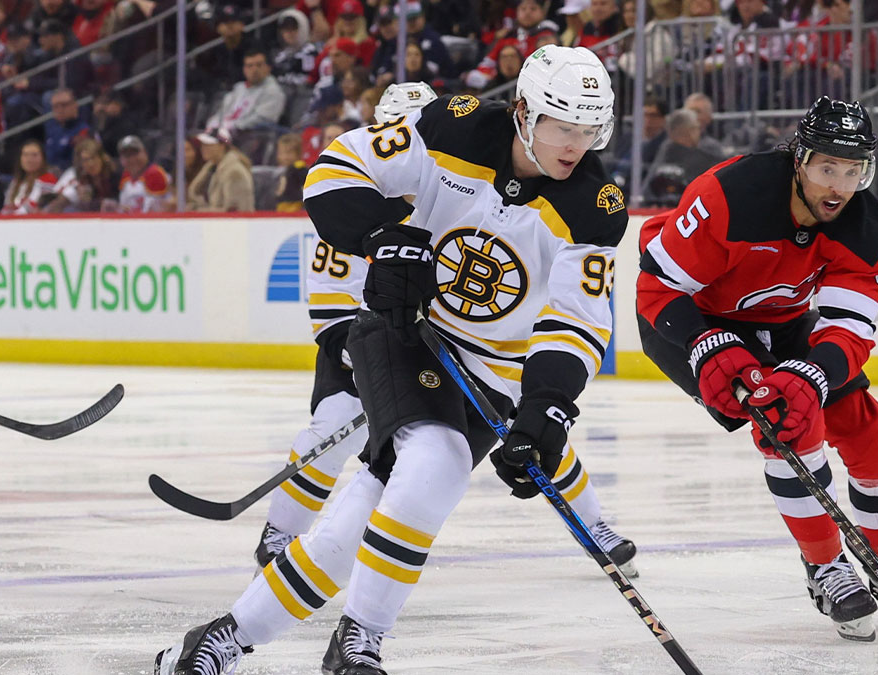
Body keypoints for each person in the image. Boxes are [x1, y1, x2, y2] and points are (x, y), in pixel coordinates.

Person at [156, 48, 632, 674]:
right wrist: (382, 237)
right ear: (523, 112)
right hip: (405, 330)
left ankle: (221, 640)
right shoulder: (452, 127)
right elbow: (333, 170)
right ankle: (360, 643)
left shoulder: (596, 207)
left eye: (590, 131)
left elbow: (576, 325)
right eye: (563, 126)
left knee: (358, 519)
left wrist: (546, 408)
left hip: (491, 379)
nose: (577, 146)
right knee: (437, 462)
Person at [634, 96, 878, 642]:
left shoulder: (866, 229)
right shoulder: (728, 194)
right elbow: (657, 288)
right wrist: (710, 345)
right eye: (826, 168)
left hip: (785, 321)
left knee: (877, 435)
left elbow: (849, 330)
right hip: (690, 320)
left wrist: (811, 374)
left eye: (853, 170)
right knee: (789, 427)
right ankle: (824, 566)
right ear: (799, 160)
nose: (839, 186)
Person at [207, 47, 288, 137]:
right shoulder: (239, 88)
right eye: (250, 66)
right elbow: (221, 112)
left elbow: (262, 121)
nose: (254, 70)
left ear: (268, 68)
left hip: (248, 139)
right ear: (244, 69)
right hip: (224, 135)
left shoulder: (273, 91)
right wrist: (213, 124)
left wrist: (231, 126)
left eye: (259, 65)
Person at [45, 137, 121, 213]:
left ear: (101, 158)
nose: (91, 164)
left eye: (93, 158)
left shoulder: (116, 171)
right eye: (85, 160)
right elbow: (59, 202)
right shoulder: (79, 177)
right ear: (80, 163)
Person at [187, 131, 255, 212]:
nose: (203, 148)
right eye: (203, 144)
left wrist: (199, 212)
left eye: (209, 144)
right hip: (210, 222)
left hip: (229, 223)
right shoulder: (211, 168)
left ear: (222, 145)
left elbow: (235, 211)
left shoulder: (234, 172)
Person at [117, 135, 172, 213]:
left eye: (135, 153)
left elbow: (154, 211)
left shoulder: (154, 173)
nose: (132, 159)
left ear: (145, 153)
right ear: (121, 159)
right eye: (127, 155)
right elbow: (123, 206)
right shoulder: (126, 176)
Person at [2, 139, 59, 214]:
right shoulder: (16, 182)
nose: (29, 160)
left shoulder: (48, 179)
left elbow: (33, 208)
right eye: (25, 155)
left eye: (34, 155)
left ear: (43, 158)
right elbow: (6, 207)